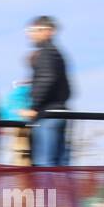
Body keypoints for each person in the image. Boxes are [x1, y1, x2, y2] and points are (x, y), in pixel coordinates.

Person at [22, 16, 72, 166]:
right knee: (60, 164)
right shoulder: (56, 52)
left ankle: (50, 190)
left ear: (47, 31)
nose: (30, 34)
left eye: (34, 30)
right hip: (59, 112)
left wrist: (33, 106)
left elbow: (46, 79)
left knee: (46, 164)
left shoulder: (45, 52)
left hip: (48, 114)